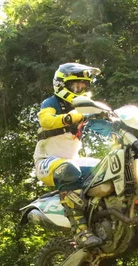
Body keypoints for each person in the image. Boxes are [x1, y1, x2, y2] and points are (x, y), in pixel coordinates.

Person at [33, 63, 103, 248]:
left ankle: (112, 222)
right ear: (62, 84)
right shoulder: (52, 103)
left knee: (106, 168)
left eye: (83, 85)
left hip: (73, 160)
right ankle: (80, 231)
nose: (80, 89)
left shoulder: (83, 107)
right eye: (75, 85)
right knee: (68, 170)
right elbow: (46, 121)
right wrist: (71, 117)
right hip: (47, 161)